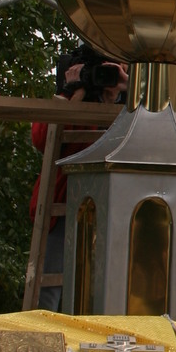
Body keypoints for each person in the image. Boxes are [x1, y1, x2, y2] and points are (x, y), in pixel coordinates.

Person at [29, 46, 127, 310]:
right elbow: (42, 139)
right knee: (49, 292)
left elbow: (170, 118)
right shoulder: (77, 97)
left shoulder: (133, 104)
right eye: (104, 71)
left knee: (105, 291)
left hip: (116, 208)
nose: (109, 79)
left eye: (114, 71)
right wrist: (73, 92)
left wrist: (130, 86)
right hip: (66, 205)